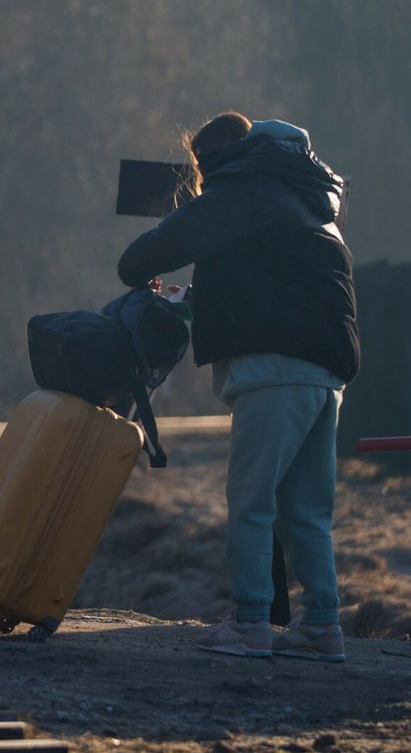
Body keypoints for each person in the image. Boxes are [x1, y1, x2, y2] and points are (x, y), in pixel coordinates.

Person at [117, 112, 358, 661]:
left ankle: (250, 622)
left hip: (271, 371)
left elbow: (142, 256)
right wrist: (200, 303)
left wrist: (145, 275)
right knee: (306, 510)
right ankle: (323, 626)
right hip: (327, 373)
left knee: (251, 501)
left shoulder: (244, 190)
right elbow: (279, 285)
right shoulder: (316, 203)